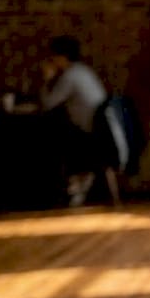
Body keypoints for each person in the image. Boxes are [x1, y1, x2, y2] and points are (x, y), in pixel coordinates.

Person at [39, 35, 108, 205]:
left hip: (89, 134)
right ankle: (77, 184)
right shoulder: (83, 71)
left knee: (49, 141)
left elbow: (48, 103)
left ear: (61, 57)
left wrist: (46, 80)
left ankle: (71, 187)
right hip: (101, 130)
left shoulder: (70, 76)